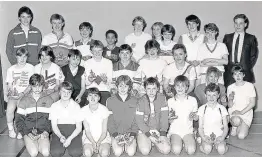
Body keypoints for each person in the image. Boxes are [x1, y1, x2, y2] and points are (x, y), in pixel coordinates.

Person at [15, 74, 54, 157]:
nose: (37, 89)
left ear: (43, 86)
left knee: (46, 152)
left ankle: (40, 142)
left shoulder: (49, 100)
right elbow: (18, 120)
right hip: (28, 132)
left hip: (43, 132)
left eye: (39, 86)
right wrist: (26, 132)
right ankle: (30, 141)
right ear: (30, 86)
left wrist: (47, 131)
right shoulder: (24, 100)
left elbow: (52, 119)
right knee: (34, 153)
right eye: (34, 86)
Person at [135, 77, 170, 155]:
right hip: (144, 131)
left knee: (166, 150)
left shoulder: (162, 98)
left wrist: (163, 134)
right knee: (145, 151)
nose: (151, 91)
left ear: (158, 88)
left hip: (157, 131)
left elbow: (164, 118)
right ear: (145, 89)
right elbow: (139, 122)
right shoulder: (140, 101)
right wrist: (149, 136)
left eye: (154, 88)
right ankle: (146, 141)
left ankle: (154, 143)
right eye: (148, 88)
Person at [223, 14, 258, 87]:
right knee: (230, 96)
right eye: (236, 23)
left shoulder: (251, 38)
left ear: (245, 24)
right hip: (230, 73)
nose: (238, 25)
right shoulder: (227, 38)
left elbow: (253, 56)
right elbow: (223, 55)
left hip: (245, 73)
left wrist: (245, 67)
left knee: (245, 96)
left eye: (241, 23)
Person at [6, 47, 34, 138]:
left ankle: (21, 130)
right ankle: (11, 129)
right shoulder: (11, 69)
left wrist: (23, 93)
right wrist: (12, 93)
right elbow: (9, 84)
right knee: (10, 109)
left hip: (26, 94)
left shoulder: (31, 68)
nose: (22, 59)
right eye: (20, 56)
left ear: (27, 57)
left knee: (20, 110)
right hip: (15, 95)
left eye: (25, 57)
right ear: (16, 57)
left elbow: (31, 85)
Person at [107, 75, 138, 157]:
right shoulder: (110, 100)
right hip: (117, 133)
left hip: (130, 133)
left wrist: (132, 135)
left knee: (131, 153)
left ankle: (129, 143)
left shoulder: (135, 100)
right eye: (120, 86)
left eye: (126, 86)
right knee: (117, 153)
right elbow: (109, 121)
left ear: (129, 87)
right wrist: (116, 135)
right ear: (117, 86)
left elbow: (136, 120)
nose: (123, 88)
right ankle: (117, 143)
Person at [49, 81, 83, 157]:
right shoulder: (54, 106)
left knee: (76, 153)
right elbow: (54, 126)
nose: (66, 94)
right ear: (59, 92)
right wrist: (60, 136)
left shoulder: (76, 106)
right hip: (59, 131)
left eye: (68, 92)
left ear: (71, 93)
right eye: (63, 91)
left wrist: (70, 139)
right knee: (55, 153)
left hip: (73, 131)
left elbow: (79, 127)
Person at [168, 75, 198, 155]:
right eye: (178, 85)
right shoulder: (170, 101)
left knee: (191, 151)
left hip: (187, 131)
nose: (180, 88)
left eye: (183, 86)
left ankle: (189, 139)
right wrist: (170, 119)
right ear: (174, 87)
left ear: (187, 87)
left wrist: (194, 116)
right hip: (175, 131)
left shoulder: (193, 100)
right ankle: (175, 141)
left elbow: (196, 118)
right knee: (176, 150)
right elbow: (168, 120)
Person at [197, 83, 228, 155]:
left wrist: (222, 137)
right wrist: (204, 137)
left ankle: (223, 145)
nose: (211, 98)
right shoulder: (202, 109)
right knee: (207, 150)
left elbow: (226, 126)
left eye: (214, 95)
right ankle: (202, 145)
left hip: (219, 135)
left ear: (218, 95)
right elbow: (200, 127)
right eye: (209, 95)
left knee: (221, 150)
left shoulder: (222, 108)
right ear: (205, 95)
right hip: (207, 136)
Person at [227, 65, 256, 139]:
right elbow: (230, 105)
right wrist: (230, 99)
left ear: (244, 75)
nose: (238, 76)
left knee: (241, 136)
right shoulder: (230, 87)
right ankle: (234, 126)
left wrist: (241, 112)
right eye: (235, 74)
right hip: (235, 114)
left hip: (245, 113)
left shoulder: (250, 86)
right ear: (233, 76)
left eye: (240, 73)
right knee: (236, 120)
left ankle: (242, 126)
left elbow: (252, 103)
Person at [81, 87, 111, 157]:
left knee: (104, 153)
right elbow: (87, 131)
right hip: (89, 138)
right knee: (87, 153)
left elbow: (104, 131)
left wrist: (99, 142)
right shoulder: (83, 110)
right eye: (90, 95)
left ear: (99, 98)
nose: (92, 98)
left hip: (103, 138)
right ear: (87, 98)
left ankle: (102, 151)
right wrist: (93, 142)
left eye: (95, 95)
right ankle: (89, 149)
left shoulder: (104, 109)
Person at [84, 40, 113, 105]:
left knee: (105, 111)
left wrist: (105, 80)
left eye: (99, 50)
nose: (97, 53)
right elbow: (86, 82)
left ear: (103, 50)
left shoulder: (108, 62)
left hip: (104, 90)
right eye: (94, 51)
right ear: (91, 51)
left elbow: (110, 80)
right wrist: (89, 80)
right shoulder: (87, 63)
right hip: (91, 90)